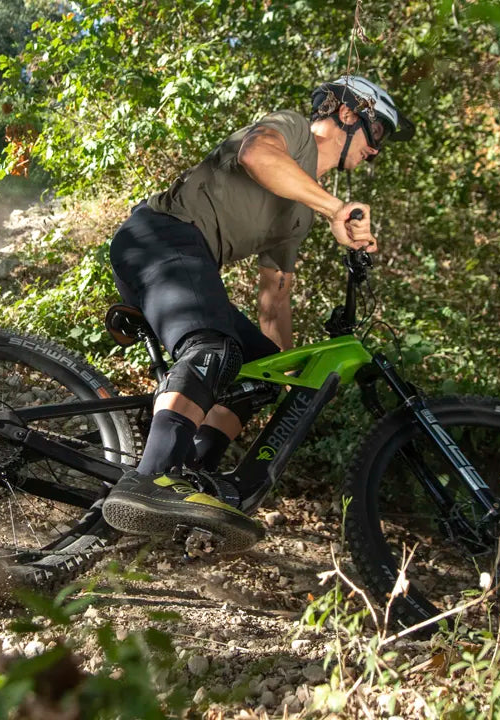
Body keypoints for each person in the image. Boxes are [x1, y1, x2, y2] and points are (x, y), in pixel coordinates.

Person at [99, 76, 413, 551]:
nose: (376, 151)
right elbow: (256, 155)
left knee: (256, 372)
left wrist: (286, 374)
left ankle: (192, 478)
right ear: (349, 114)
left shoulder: (302, 211)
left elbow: (275, 298)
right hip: (161, 237)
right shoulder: (294, 132)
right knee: (212, 347)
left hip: (184, 258)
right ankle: (151, 477)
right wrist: (335, 209)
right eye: (378, 134)